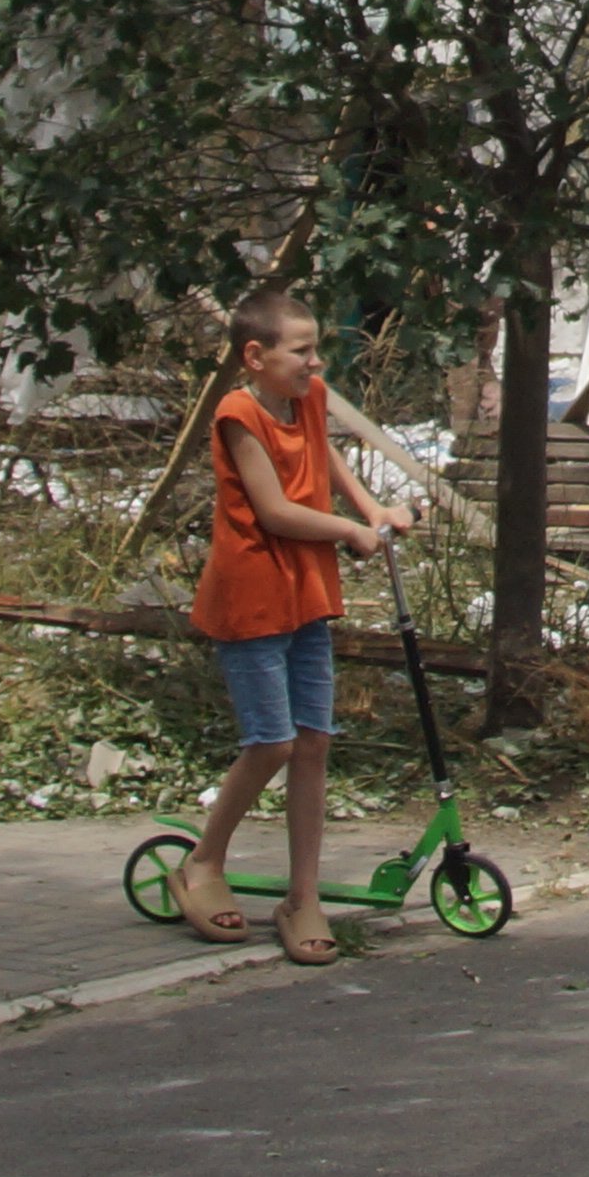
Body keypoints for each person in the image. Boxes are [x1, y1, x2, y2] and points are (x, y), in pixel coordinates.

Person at [178, 284, 405, 963]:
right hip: (252, 595)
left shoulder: (303, 398)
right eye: (301, 352)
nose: (314, 365)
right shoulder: (237, 414)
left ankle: (303, 896)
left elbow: (326, 458)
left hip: (306, 591)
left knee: (313, 742)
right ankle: (203, 863)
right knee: (271, 742)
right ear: (255, 355)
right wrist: (347, 531)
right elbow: (274, 511)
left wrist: (373, 509)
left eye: (315, 350)